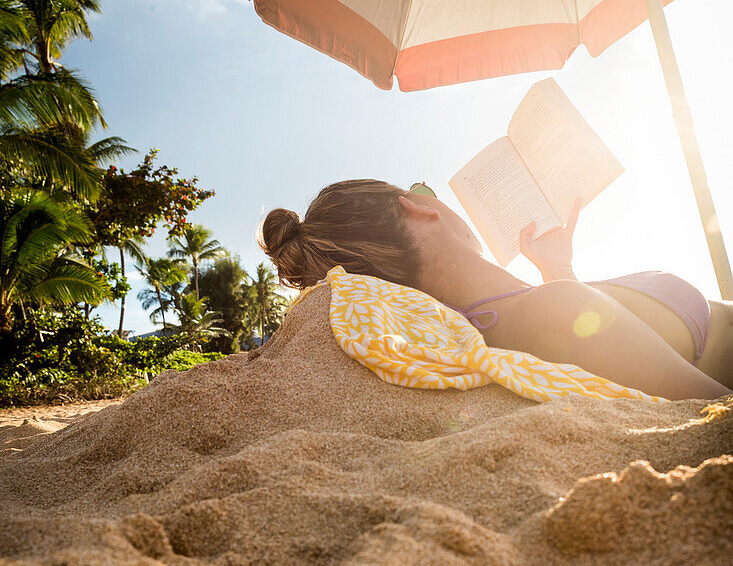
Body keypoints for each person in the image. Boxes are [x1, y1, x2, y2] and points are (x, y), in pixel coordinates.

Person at [259, 179, 732, 400]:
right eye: (423, 186)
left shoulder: (506, 321)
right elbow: (715, 412)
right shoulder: (553, 310)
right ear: (418, 208)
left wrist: (557, 265)